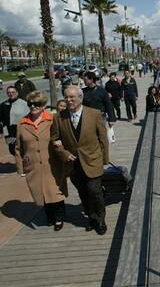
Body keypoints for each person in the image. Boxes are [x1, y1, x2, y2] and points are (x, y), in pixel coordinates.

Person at [51, 86, 109, 235]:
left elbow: (103, 138)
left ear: (80, 98)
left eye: (72, 97)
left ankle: (100, 219)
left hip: (93, 160)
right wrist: (63, 153)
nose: (69, 100)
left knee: (94, 191)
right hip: (73, 164)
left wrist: (105, 159)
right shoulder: (59, 117)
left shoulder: (94, 114)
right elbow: (55, 140)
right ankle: (91, 217)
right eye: (66, 97)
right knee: (83, 192)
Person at [15, 91, 67, 231]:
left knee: (55, 192)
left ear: (43, 105)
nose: (33, 106)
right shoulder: (22, 123)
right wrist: (20, 168)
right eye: (30, 104)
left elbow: (62, 138)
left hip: (52, 163)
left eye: (36, 104)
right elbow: (18, 148)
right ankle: (49, 216)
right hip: (33, 165)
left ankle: (59, 218)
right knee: (41, 193)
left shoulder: (52, 119)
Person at [0, 86, 30, 155]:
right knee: (12, 150)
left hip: (22, 130)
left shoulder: (24, 104)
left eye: (13, 92)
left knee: (24, 150)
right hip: (9, 132)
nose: (11, 94)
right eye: (9, 92)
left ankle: (24, 164)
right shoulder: (3, 105)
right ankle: (18, 164)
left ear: (17, 93)